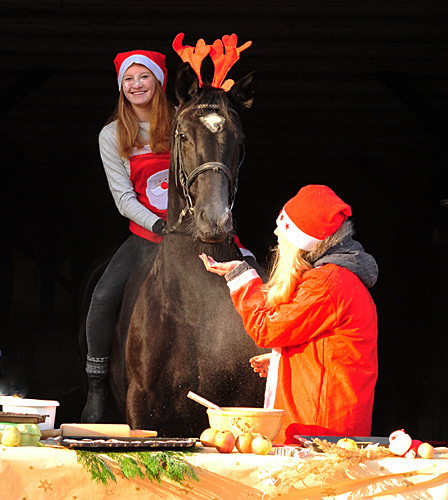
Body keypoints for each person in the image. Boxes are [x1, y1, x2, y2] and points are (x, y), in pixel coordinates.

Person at [200, 185, 378, 443]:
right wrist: (285, 360)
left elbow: (266, 329)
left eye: (283, 229)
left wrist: (241, 278)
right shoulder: (337, 279)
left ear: (302, 240)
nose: (275, 233)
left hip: (319, 433)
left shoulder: (326, 283)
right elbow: (331, 350)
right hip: (329, 426)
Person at [81, 50, 175, 423]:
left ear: (158, 82)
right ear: (121, 87)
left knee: (247, 271)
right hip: (146, 235)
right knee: (103, 296)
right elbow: (123, 197)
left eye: (144, 77)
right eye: (129, 79)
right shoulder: (112, 134)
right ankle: (97, 387)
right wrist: (156, 225)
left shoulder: (181, 123)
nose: (137, 85)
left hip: (188, 234)